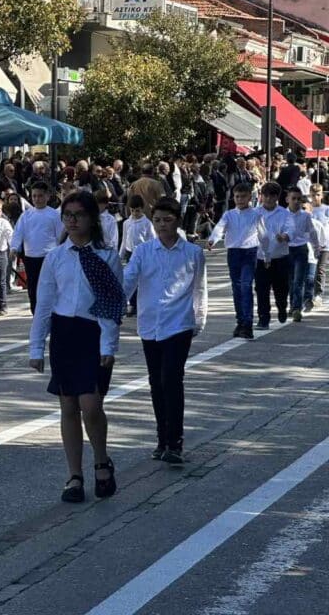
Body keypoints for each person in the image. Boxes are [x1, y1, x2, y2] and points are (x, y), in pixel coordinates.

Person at [29, 191, 123, 503]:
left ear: (91, 218)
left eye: (78, 214)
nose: (71, 220)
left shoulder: (106, 256)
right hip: (64, 332)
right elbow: (43, 304)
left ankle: (101, 460)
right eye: (67, 214)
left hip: (92, 332)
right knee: (68, 405)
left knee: (91, 405)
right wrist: (36, 347)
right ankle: (74, 476)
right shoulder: (56, 257)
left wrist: (109, 344)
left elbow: (111, 304)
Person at [122, 197, 207, 466]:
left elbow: (199, 288)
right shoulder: (143, 251)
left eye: (167, 220)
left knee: (172, 379)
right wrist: (111, 307)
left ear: (177, 221)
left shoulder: (192, 252)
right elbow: (128, 282)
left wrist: (199, 319)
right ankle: (161, 438)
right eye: (157, 220)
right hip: (150, 324)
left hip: (179, 323)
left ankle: (175, 442)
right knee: (156, 383)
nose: (162, 225)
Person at [206, 182, 265, 339]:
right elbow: (220, 228)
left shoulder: (256, 214)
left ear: (249, 197)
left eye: (243, 196)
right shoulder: (229, 214)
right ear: (233, 197)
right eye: (237, 196)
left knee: (246, 286)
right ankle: (240, 321)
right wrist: (213, 239)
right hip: (233, 252)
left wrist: (266, 254)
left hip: (250, 252)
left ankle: (248, 324)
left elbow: (263, 235)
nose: (240, 200)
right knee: (236, 288)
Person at [11, 181, 64, 314]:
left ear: (47, 196)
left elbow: (60, 236)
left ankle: (53, 310)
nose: (37, 199)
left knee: (49, 285)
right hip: (31, 257)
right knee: (33, 287)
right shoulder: (26, 215)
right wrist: (14, 248)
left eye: (40, 196)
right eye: (34, 196)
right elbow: (18, 233)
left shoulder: (54, 215)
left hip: (49, 256)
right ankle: (36, 312)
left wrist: (61, 252)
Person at [255, 183, 290, 330]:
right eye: (266, 195)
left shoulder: (284, 213)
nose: (268, 199)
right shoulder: (255, 213)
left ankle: (282, 307)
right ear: (261, 196)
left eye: (272, 196)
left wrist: (285, 236)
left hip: (279, 256)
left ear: (277, 197)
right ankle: (263, 318)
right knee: (261, 289)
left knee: (281, 288)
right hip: (260, 257)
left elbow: (290, 228)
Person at [120, 195, 156, 317]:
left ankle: (145, 304)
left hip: (144, 255)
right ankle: (133, 305)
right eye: (132, 210)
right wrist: (120, 255)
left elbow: (152, 240)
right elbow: (124, 240)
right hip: (131, 255)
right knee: (131, 279)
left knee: (144, 280)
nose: (135, 213)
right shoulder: (126, 223)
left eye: (137, 210)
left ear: (142, 209)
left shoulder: (147, 223)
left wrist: (152, 256)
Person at [284, 185, 316, 322]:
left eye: (299, 199)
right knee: (289, 280)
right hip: (286, 250)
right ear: (287, 199)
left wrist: (316, 247)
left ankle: (297, 308)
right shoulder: (282, 215)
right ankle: (292, 305)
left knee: (298, 280)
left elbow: (312, 232)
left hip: (301, 249)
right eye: (293, 199)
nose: (296, 201)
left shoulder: (305, 216)